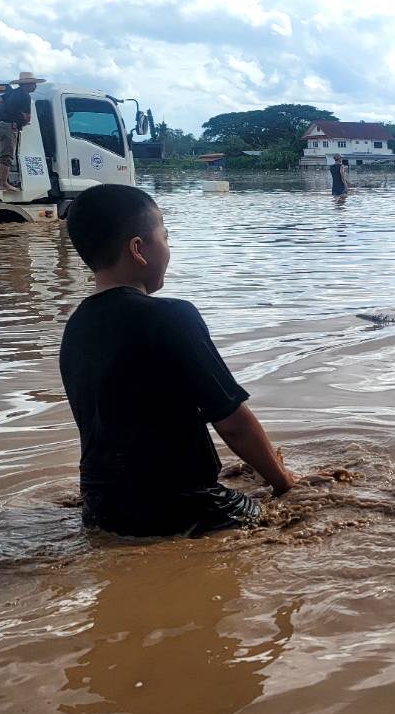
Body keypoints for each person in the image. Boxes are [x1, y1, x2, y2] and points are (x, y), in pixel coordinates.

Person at [59, 183, 297, 537]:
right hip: (186, 509)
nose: (169, 248)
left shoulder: (75, 327)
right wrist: (286, 484)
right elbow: (233, 423)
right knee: (303, 512)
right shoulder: (171, 315)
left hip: (100, 512)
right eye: (165, 238)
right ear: (139, 250)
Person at [0, 90, 30, 190]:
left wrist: (6, 111)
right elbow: (27, 116)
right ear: (29, 85)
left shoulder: (11, 92)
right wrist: (22, 121)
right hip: (9, 126)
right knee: (7, 156)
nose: (35, 86)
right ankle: (4, 183)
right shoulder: (25, 96)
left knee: (1, 155)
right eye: (33, 84)